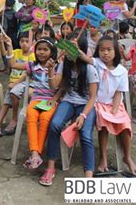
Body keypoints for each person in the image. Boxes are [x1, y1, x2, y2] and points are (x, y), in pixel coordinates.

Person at [39, 32, 99, 186]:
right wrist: (51, 70)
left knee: (85, 135)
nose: (70, 50)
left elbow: (92, 97)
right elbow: (54, 86)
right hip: (68, 101)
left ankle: (88, 177)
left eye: (75, 47)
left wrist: (83, 116)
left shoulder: (90, 69)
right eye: (68, 46)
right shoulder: (62, 65)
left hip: (85, 104)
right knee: (55, 125)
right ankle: (50, 167)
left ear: (81, 49)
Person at [80, 35, 136, 176]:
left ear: (115, 52)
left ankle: (127, 156)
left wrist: (114, 109)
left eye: (109, 50)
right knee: (104, 125)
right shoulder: (96, 63)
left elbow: (119, 93)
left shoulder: (122, 71)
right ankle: (103, 158)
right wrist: (75, 48)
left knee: (125, 125)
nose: (105, 53)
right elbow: (85, 58)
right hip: (98, 103)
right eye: (102, 50)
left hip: (114, 104)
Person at [5, 36, 60, 171]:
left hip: (50, 100)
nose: (41, 52)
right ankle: (35, 153)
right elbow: (12, 64)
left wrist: (51, 70)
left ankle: (36, 153)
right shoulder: (32, 65)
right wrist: (9, 45)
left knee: (45, 118)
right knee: (31, 115)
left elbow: (54, 88)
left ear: (51, 52)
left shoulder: (58, 66)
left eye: (45, 50)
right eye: (39, 49)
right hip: (36, 99)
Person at [0, 33, 35, 137]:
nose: (24, 44)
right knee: (6, 104)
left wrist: (15, 83)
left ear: (32, 42)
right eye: (22, 41)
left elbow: (27, 74)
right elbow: (4, 54)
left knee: (13, 93)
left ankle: (14, 118)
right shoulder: (16, 52)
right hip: (13, 82)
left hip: (24, 82)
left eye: (27, 41)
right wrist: (3, 42)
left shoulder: (33, 56)